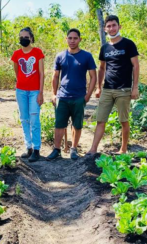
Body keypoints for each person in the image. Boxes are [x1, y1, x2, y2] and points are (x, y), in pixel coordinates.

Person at [86, 15, 140, 156]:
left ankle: (123, 149)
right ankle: (93, 149)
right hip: (108, 89)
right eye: (108, 26)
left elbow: (135, 65)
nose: (111, 28)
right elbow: (102, 68)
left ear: (119, 26)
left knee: (124, 121)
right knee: (100, 120)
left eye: (114, 25)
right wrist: (98, 87)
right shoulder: (104, 48)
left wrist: (135, 87)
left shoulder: (128, 44)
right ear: (105, 29)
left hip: (124, 89)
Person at [46, 28, 97, 160]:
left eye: (75, 38)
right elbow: (55, 76)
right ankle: (57, 149)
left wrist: (88, 95)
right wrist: (53, 94)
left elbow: (93, 77)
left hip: (79, 97)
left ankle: (73, 149)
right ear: (66, 39)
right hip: (62, 97)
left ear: (80, 39)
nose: (72, 41)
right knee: (59, 124)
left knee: (77, 124)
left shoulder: (87, 56)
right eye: (70, 38)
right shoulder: (60, 56)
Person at [11, 27, 45, 162]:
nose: (23, 39)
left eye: (26, 37)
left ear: (31, 38)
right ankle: (28, 147)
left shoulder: (38, 52)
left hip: (35, 91)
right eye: (21, 37)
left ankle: (36, 149)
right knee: (24, 119)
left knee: (34, 119)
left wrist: (41, 92)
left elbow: (42, 73)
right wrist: (21, 83)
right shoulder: (16, 54)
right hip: (21, 91)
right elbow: (17, 72)